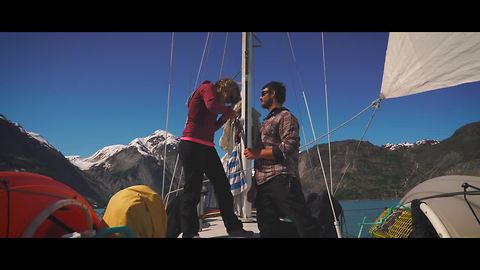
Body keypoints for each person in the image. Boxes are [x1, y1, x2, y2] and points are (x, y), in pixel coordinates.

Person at [178, 78, 255, 238]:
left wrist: (224, 118)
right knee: (192, 190)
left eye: (232, 99)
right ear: (224, 86)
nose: (228, 100)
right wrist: (228, 111)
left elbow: (211, 127)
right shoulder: (207, 88)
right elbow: (212, 105)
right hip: (192, 144)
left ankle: (234, 228)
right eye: (230, 96)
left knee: (223, 186)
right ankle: (189, 233)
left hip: (205, 146)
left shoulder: (212, 101)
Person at [244, 81, 321, 238]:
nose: (260, 97)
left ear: (273, 94)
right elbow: (259, 158)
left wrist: (257, 153)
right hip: (262, 184)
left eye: (263, 93)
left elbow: (289, 147)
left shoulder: (286, 117)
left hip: (282, 178)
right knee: (267, 228)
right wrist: (253, 184)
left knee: (303, 223)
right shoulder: (264, 122)